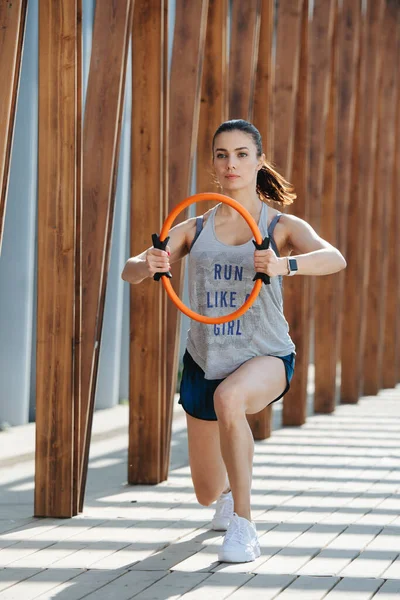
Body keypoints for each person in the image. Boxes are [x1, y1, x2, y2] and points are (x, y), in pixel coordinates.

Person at [121, 119, 346, 563]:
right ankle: (226, 496)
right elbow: (130, 272)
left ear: (259, 161)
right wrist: (150, 262)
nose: (232, 163)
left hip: (264, 353)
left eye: (243, 154)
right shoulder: (194, 227)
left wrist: (286, 267)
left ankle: (244, 525)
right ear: (213, 163)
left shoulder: (279, 223)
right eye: (223, 154)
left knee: (230, 399)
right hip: (205, 359)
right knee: (206, 493)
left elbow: (334, 258)